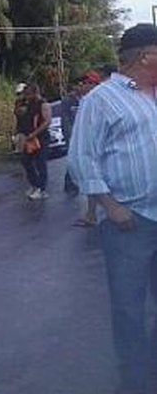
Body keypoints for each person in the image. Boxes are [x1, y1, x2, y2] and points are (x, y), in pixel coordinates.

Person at [68, 23, 157, 394]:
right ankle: (136, 380)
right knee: (129, 306)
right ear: (146, 57)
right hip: (129, 222)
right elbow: (82, 158)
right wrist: (110, 207)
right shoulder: (101, 100)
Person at [66, 70, 102, 227]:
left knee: (96, 177)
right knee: (91, 177)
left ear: (93, 84)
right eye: (80, 83)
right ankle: (91, 213)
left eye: (84, 83)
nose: (80, 86)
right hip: (89, 145)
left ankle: (95, 214)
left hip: (98, 146)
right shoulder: (83, 100)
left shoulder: (97, 100)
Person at [14, 83, 51, 200]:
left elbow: (47, 121)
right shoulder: (28, 104)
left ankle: (42, 189)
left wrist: (34, 134)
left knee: (40, 162)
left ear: (35, 93)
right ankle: (35, 184)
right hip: (28, 138)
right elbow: (20, 116)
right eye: (26, 94)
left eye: (29, 94)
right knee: (26, 161)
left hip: (41, 138)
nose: (27, 97)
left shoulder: (43, 104)